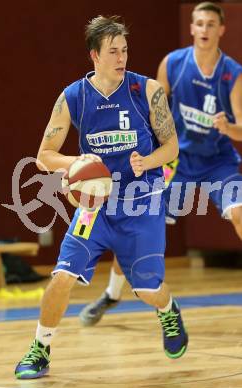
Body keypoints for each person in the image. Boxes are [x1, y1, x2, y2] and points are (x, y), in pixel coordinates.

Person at [14, 16, 188, 379]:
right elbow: (45, 155)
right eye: (113, 51)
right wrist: (77, 162)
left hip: (142, 201)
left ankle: (168, 310)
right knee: (61, 277)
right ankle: (40, 348)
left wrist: (149, 160)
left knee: (146, 288)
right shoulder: (74, 96)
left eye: (124, 50)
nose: (121, 57)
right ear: (95, 55)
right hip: (95, 206)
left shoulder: (147, 90)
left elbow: (171, 145)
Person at [80, 1, 242, 327]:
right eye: (199, 23)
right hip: (176, 160)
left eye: (211, 24)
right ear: (192, 28)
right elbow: (151, 114)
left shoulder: (232, 73)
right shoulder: (174, 63)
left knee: (240, 213)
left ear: (221, 29)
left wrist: (229, 127)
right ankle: (112, 294)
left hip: (217, 161)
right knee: (134, 221)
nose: (205, 29)